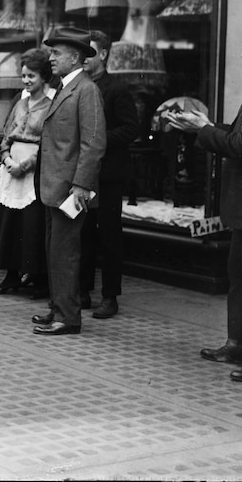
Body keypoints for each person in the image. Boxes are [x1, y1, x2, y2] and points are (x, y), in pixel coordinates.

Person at [166, 26, 242, 382]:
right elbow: (237, 137)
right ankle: (238, 344)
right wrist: (200, 128)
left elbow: (241, 146)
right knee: (239, 279)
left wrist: (204, 128)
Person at [31, 27, 107, 336]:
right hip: (56, 188)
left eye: (56, 53)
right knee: (55, 251)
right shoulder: (66, 87)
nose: (51, 58)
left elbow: (94, 143)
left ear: (74, 57)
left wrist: (80, 187)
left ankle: (68, 316)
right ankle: (59, 307)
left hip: (69, 190)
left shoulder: (86, 90)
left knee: (65, 252)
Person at [79, 30, 140, 318]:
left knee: (109, 237)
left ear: (103, 54)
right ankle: (82, 292)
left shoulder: (117, 88)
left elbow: (131, 129)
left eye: (88, 52)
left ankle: (110, 297)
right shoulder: (79, 87)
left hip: (109, 175)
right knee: (84, 233)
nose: (83, 58)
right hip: (84, 174)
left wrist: (97, 137)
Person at [0, 48, 56, 296]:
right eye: (24, 76)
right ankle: (11, 276)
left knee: (32, 225)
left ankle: (38, 278)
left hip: (34, 172)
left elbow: (48, 142)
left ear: (43, 77)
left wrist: (24, 165)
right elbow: (6, 134)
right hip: (11, 171)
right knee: (10, 224)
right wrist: (6, 159)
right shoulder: (20, 102)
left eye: (32, 76)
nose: (26, 81)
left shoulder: (51, 105)